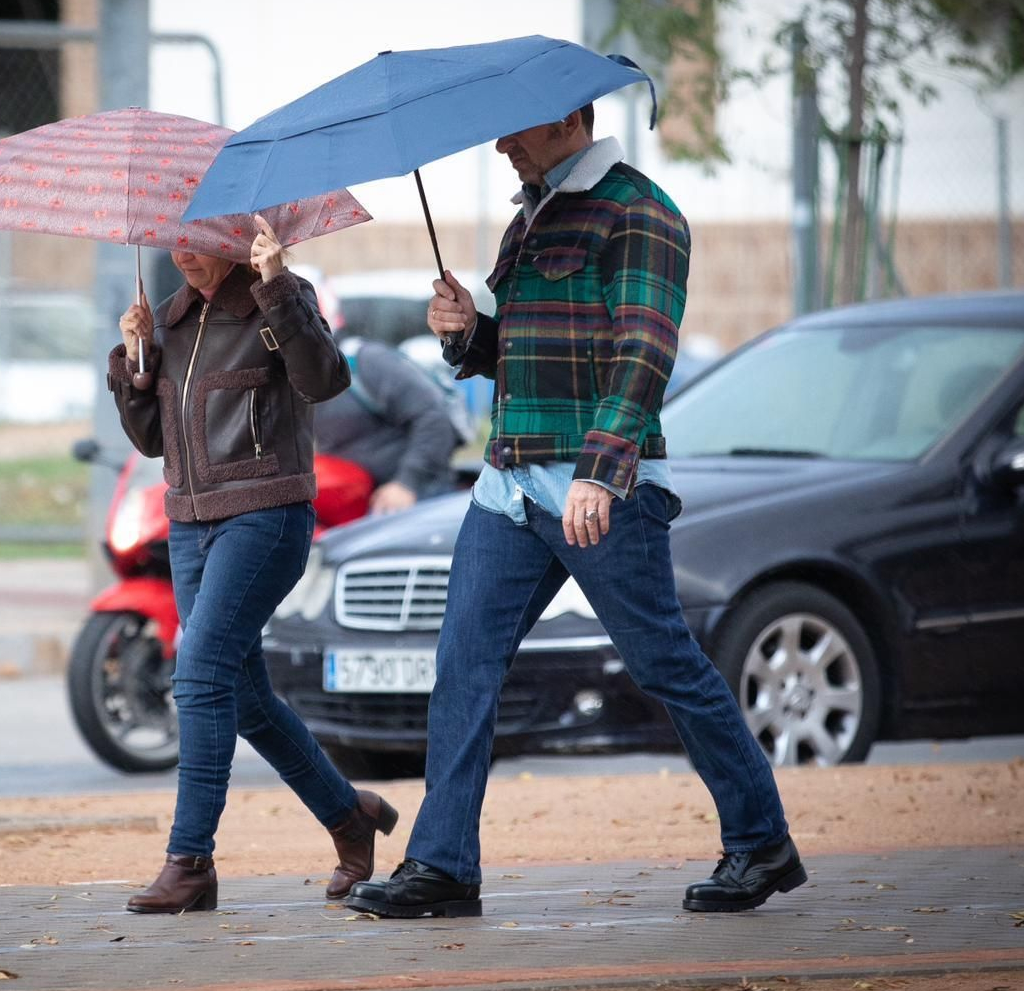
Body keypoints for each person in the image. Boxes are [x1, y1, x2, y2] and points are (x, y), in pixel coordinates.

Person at [347, 104, 804, 918]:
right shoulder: (531, 217)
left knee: (664, 662)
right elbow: (525, 355)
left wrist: (601, 470)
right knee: (462, 668)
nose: (499, 141)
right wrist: (467, 333)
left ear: (571, 119)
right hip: (509, 486)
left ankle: (761, 840)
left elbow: (644, 351)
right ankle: (443, 866)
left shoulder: (642, 212)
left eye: (516, 128)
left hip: (603, 489)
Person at [108, 217, 399, 914]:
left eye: (201, 240)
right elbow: (152, 442)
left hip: (266, 515)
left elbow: (325, 379)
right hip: (189, 523)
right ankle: (348, 816)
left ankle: (190, 862)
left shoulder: (275, 298)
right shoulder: (171, 320)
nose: (186, 254)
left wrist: (278, 288)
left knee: (200, 672)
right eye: (176, 240)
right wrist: (135, 363)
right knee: (242, 697)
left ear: (237, 241)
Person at [314, 335, 460, 513]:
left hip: (417, 499)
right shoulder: (293, 383)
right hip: (355, 504)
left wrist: (407, 483)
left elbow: (433, 417)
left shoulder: (365, 362)